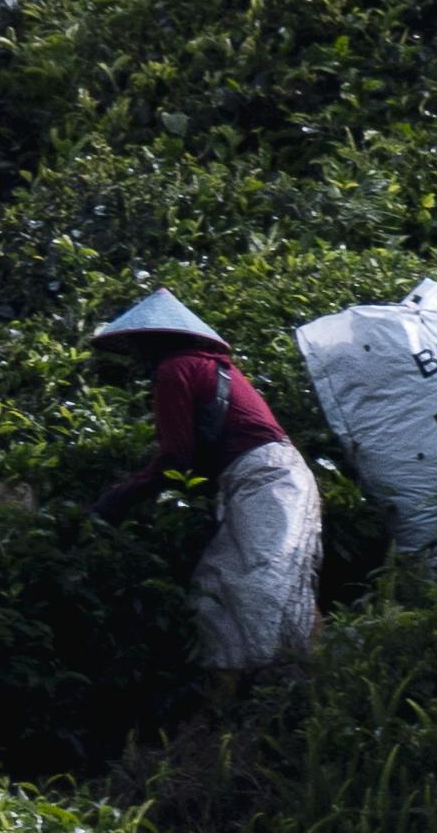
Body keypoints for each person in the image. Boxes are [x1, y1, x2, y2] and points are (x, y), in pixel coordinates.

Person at [91, 285, 323, 675]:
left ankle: (271, 683)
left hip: (266, 477)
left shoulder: (175, 369)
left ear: (155, 341)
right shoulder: (211, 367)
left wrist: (118, 497)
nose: (134, 358)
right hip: (264, 477)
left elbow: (175, 458)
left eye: (136, 347)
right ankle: (243, 687)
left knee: (260, 581)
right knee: (219, 584)